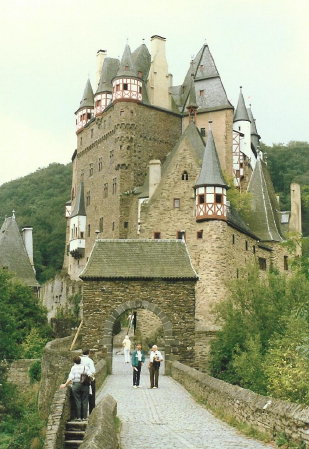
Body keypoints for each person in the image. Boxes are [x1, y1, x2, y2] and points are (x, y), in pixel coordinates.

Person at [60, 356, 92, 420]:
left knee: (77, 401)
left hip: (76, 385)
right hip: (85, 385)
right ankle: (85, 417)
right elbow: (90, 375)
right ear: (80, 361)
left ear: (74, 362)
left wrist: (65, 384)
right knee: (85, 401)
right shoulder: (85, 367)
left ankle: (79, 417)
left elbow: (71, 378)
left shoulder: (73, 368)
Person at [80, 349, 96, 414]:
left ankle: (82, 415)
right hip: (88, 379)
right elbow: (93, 371)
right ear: (88, 353)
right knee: (91, 397)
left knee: (81, 397)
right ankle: (91, 413)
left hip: (80, 380)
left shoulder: (79, 359)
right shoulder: (89, 360)